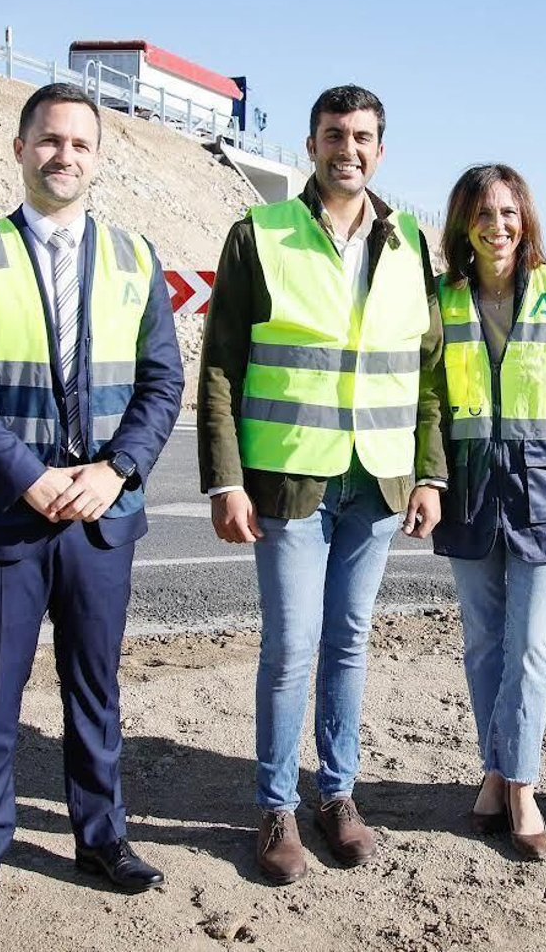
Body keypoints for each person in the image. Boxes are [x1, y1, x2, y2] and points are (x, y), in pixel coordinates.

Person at [0, 83, 184, 930]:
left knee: (95, 687)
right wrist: (26, 475)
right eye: (49, 139)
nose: (63, 154)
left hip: (102, 516)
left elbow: (162, 382)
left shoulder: (135, 257)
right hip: (7, 513)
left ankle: (101, 837)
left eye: (79, 143)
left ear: (98, 159)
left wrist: (118, 469)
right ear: (20, 148)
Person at [197, 85, 446, 883]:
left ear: (381, 149)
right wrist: (225, 480)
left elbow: (427, 370)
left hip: (376, 481)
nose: (349, 148)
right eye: (335, 134)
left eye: (363, 136)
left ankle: (336, 794)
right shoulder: (261, 232)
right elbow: (221, 367)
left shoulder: (409, 242)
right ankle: (276, 805)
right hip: (289, 479)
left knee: (348, 640)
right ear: (311, 145)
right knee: (291, 644)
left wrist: (430, 472)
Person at [431, 165, 546, 861]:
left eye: (507, 212)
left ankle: (523, 783)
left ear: (526, 218)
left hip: (544, 494)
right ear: (463, 223)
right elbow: (429, 402)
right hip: (470, 491)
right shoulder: (442, 300)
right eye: (482, 213)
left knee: (531, 646)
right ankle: (495, 769)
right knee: (483, 642)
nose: (496, 225)